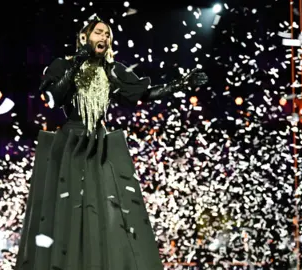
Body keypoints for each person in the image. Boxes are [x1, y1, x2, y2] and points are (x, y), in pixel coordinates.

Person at [15, 17, 207, 270]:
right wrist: (78, 63)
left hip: (100, 144)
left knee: (104, 207)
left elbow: (143, 94)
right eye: (98, 32)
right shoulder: (64, 64)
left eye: (107, 34)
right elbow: (52, 98)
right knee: (68, 207)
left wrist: (179, 85)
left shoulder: (112, 69)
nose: (104, 37)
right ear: (84, 38)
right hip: (72, 142)